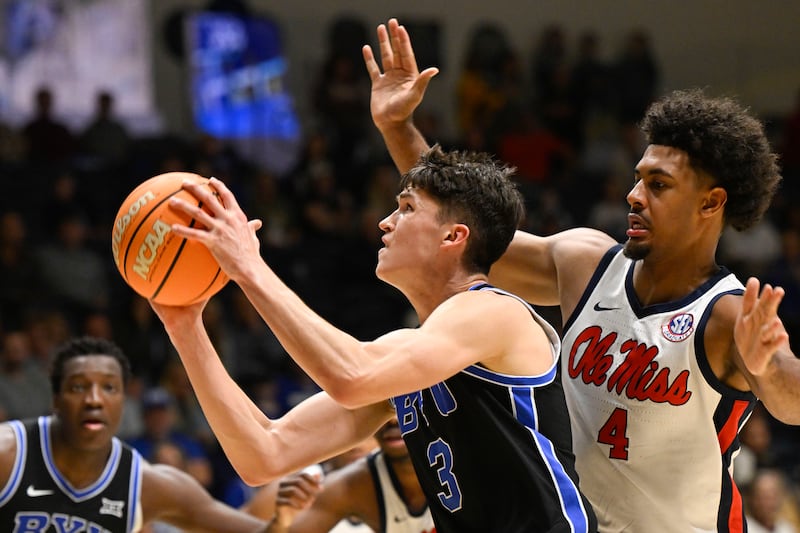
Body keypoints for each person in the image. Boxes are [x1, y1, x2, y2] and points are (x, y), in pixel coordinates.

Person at [361, 18, 800, 532]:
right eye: (638, 179)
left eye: (658, 185)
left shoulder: (725, 313)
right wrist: (398, 127)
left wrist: (766, 367)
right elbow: (463, 223)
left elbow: (792, 403)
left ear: (711, 202)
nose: (634, 196)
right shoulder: (586, 263)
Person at [150, 145, 597, 532]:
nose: (385, 223)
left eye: (405, 208)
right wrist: (185, 328)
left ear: (453, 236)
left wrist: (249, 268)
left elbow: (350, 375)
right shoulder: (409, 353)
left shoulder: (495, 311)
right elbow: (264, 453)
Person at [0, 335, 269, 532]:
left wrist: (284, 517)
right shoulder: (8, 455)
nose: (94, 400)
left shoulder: (144, 484)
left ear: (124, 402)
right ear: (56, 400)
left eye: (109, 388)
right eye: (79, 387)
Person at [249, 417, 434, 533]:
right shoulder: (346, 484)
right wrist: (281, 522)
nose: (393, 419)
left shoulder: (460, 455)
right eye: (385, 406)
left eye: (403, 404)